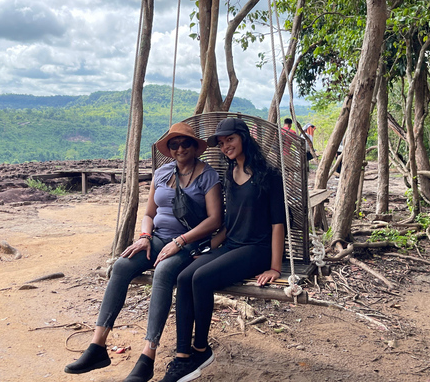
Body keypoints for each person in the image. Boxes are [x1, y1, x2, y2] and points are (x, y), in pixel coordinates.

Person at [64, 122, 222, 382]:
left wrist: (180, 241)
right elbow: (149, 213)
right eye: (174, 144)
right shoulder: (162, 173)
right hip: (157, 238)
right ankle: (97, 346)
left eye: (185, 143)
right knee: (122, 266)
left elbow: (215, 220)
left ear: (195, 148)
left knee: (163, 272)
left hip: (190, 244)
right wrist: (145, 237)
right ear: (169, 150)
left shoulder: (208, 175)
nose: (180, 148)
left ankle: (148, 355)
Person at [157, 117, 285, 382]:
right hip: (232, 244)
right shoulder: (230, 173)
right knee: (184, 277)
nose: (226, 146)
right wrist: (206, 248)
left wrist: (274, 267)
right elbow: (229, 222)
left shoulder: (269, 175)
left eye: (231, 139)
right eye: (222, 142)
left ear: (244, 137)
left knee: (201, 279)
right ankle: (183, 357)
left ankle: (201, 350)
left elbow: (277, 224)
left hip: (257, 248)